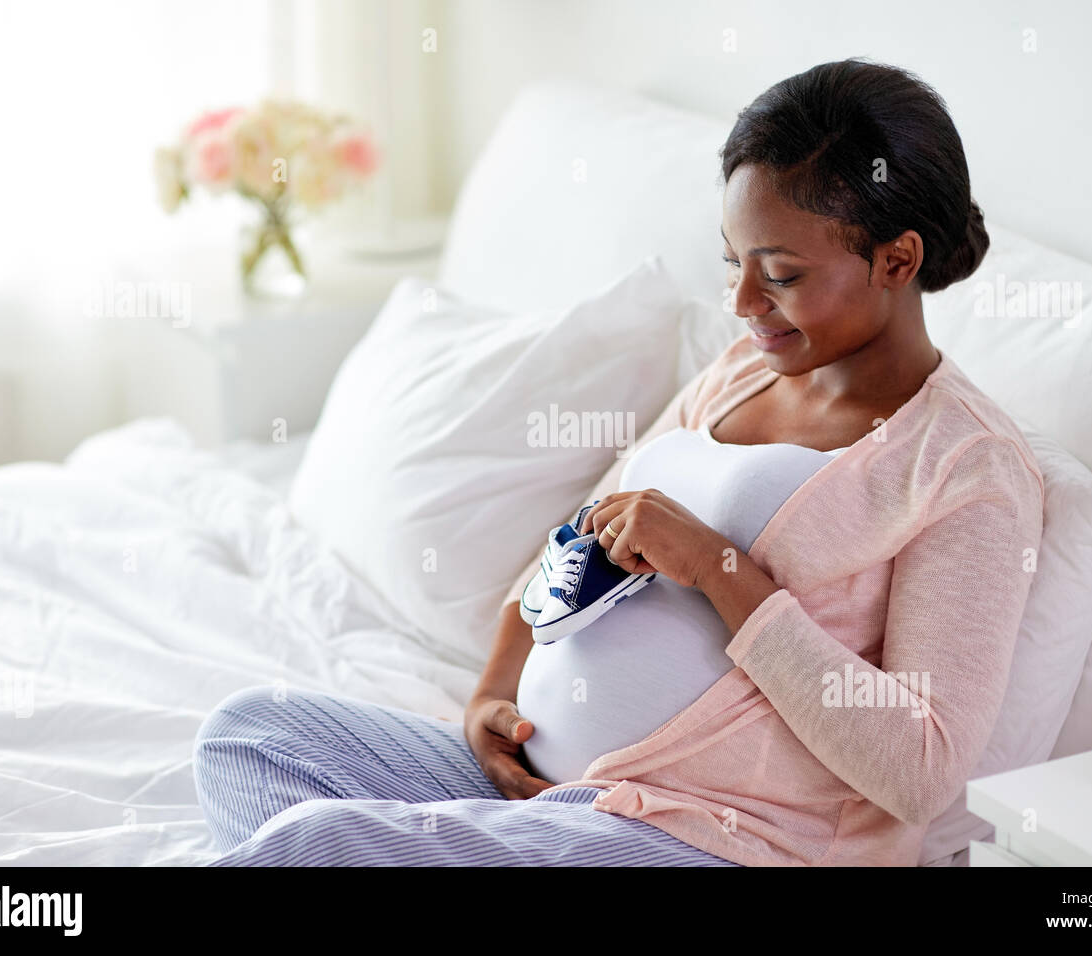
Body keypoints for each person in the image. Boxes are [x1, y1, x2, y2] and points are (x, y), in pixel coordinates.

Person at [193, 58, 1044, 867]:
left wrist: (719, 569)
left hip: (723, 841)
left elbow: (922, 771)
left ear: (897, 260)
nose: (742, 304)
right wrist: (492, 692)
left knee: (318, 844)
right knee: (247, 737)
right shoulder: (742, 372)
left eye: (779, 275)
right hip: (552, 795)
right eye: (733, 264)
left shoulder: (966, 467)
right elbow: (580, 537)